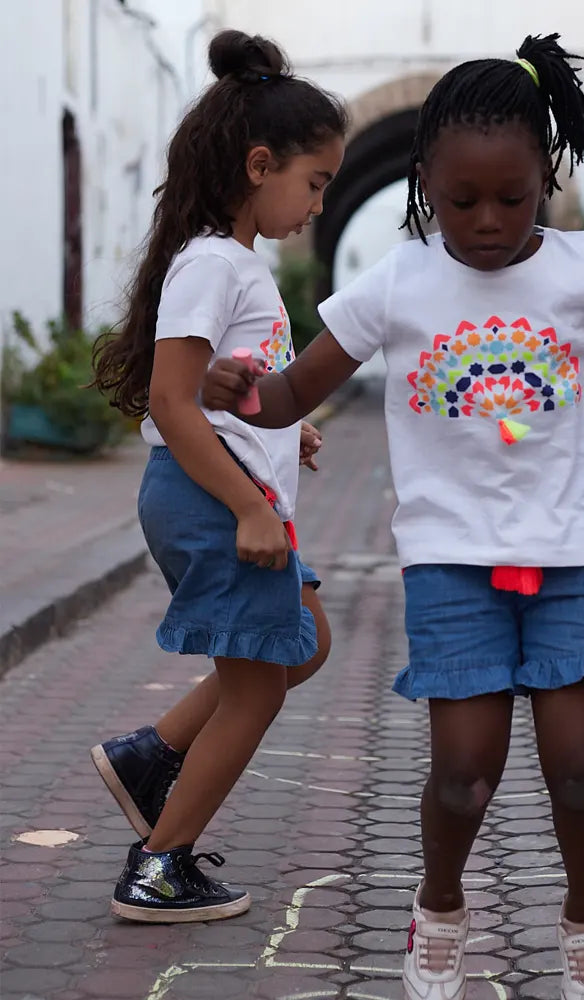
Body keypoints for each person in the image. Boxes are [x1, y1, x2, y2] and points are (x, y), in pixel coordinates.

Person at [201, 33, 584, 999]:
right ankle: (439, 906)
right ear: (422, 184)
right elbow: (291, 394)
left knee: (580, 774)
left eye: (513, 198)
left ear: (547, 180)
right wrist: (236, 389)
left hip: (579, 559)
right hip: (453, 564)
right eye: (461, 202)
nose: (488, 222)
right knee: (464, 775)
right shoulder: (398, 282)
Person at [88, 29, 348, 923]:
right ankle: (160, 865)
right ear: (259, 164)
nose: (318, 203)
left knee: (300, 643)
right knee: (259, 686)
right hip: (211, 500)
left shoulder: (235, 264)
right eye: (314, 183)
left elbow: (210, 389)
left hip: (230, 490)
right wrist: (247, 501)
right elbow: (168, 401)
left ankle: (149, 758)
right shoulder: (211, 261)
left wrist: (282, 429)